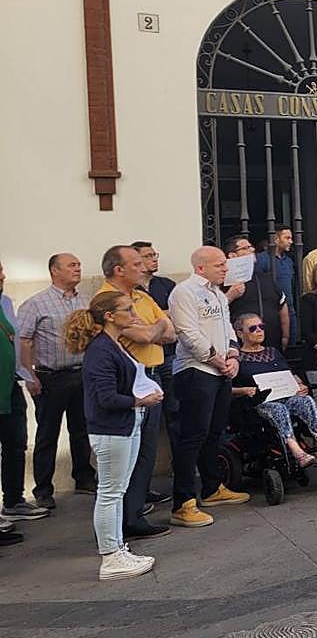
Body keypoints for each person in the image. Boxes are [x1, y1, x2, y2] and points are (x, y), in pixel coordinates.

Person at [66, 292, 163, 580]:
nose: (133, 313)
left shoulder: (112, 344)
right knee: (109, 493)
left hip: (123, 425)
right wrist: (140, 400)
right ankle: (110, 556)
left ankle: (118, 548)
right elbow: (106, 397)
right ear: (109, 316)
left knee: (116, 491)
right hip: (111, 430)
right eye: (127, 309)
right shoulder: (101, 350)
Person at [97, 245, 176, 541]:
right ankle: (125, 521)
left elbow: (171, 332)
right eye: (136, 263)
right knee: (129, 454)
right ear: (118, 269)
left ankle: (135, 513)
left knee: (146, 452)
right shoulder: (106, 300)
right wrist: (156, 326)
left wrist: (155, 328)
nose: (143, 267)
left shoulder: (142, 295)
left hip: (152, 377)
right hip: (129, 383)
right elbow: (144, 335)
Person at [168, 247, 251, 527]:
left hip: (221, 371)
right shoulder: (184, 292)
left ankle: (212, 487)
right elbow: (188, 333)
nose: (225, 269)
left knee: (215, 432)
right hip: (196, 371)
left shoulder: (217, 293)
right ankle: (183, 503)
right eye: (219, 265)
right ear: (200, 267)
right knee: (193, 435)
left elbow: (228, 329)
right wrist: (216, 359)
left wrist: (233, 356)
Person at [15, 253, 95, 513]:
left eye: (79, 265)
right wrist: (29, 376)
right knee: (48, 434)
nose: (78, 269)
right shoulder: (36, 304)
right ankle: (43, 490)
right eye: (72, 265)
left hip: (81, 373)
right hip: (51, 377)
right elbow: (24, 341)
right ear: (54, 271)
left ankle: (84, 477)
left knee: (81, 429)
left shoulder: (85, 300)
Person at [231, 313, 317, 466]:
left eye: (261, 326)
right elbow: (227, 388)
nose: (259, 330)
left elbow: (289, 374)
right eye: (253, 328)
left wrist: (299, 385)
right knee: (278, 409)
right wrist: (244, 390)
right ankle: (298, 453)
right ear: (240, 333)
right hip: (259, 402)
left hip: (285, 395)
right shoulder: (237, 359)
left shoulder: (273, 352)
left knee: (306, 401)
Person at [131, 241, 177, 496]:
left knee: (175, 415)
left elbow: (176, 321)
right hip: (141, 366)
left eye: (154, 254)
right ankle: (141, 489)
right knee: (144, 427)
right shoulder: (127, 292)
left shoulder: (166, 285)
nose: (153, 259)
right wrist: (161, 319)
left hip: (169, 358)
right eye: (147, 256)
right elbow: (141, 330)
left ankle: (180, 472)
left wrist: (156, 324)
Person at [0, 259, 41, 534]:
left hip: (10, 385)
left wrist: (25, 373)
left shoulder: (5, 302)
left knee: (16, 443)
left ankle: (14, 500)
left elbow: (15, 341)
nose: (3, 276)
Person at [225, 236, 289, 351]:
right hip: (241, 348)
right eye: (246, 248)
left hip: (271, 344)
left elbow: (282, 306)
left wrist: (285, 336)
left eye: (251, 247)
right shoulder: (223, 281)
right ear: (232, 255)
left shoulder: (266, 278)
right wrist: (230, 296)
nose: (252, 250)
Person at [255, 227, 297, 343]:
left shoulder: (288, 261)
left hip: (290, 310)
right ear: (276, 239)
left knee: (292, 345)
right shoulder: (262, 259)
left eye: (291, 238)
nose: (291, 241)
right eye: (287, 238)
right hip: (271, 310)